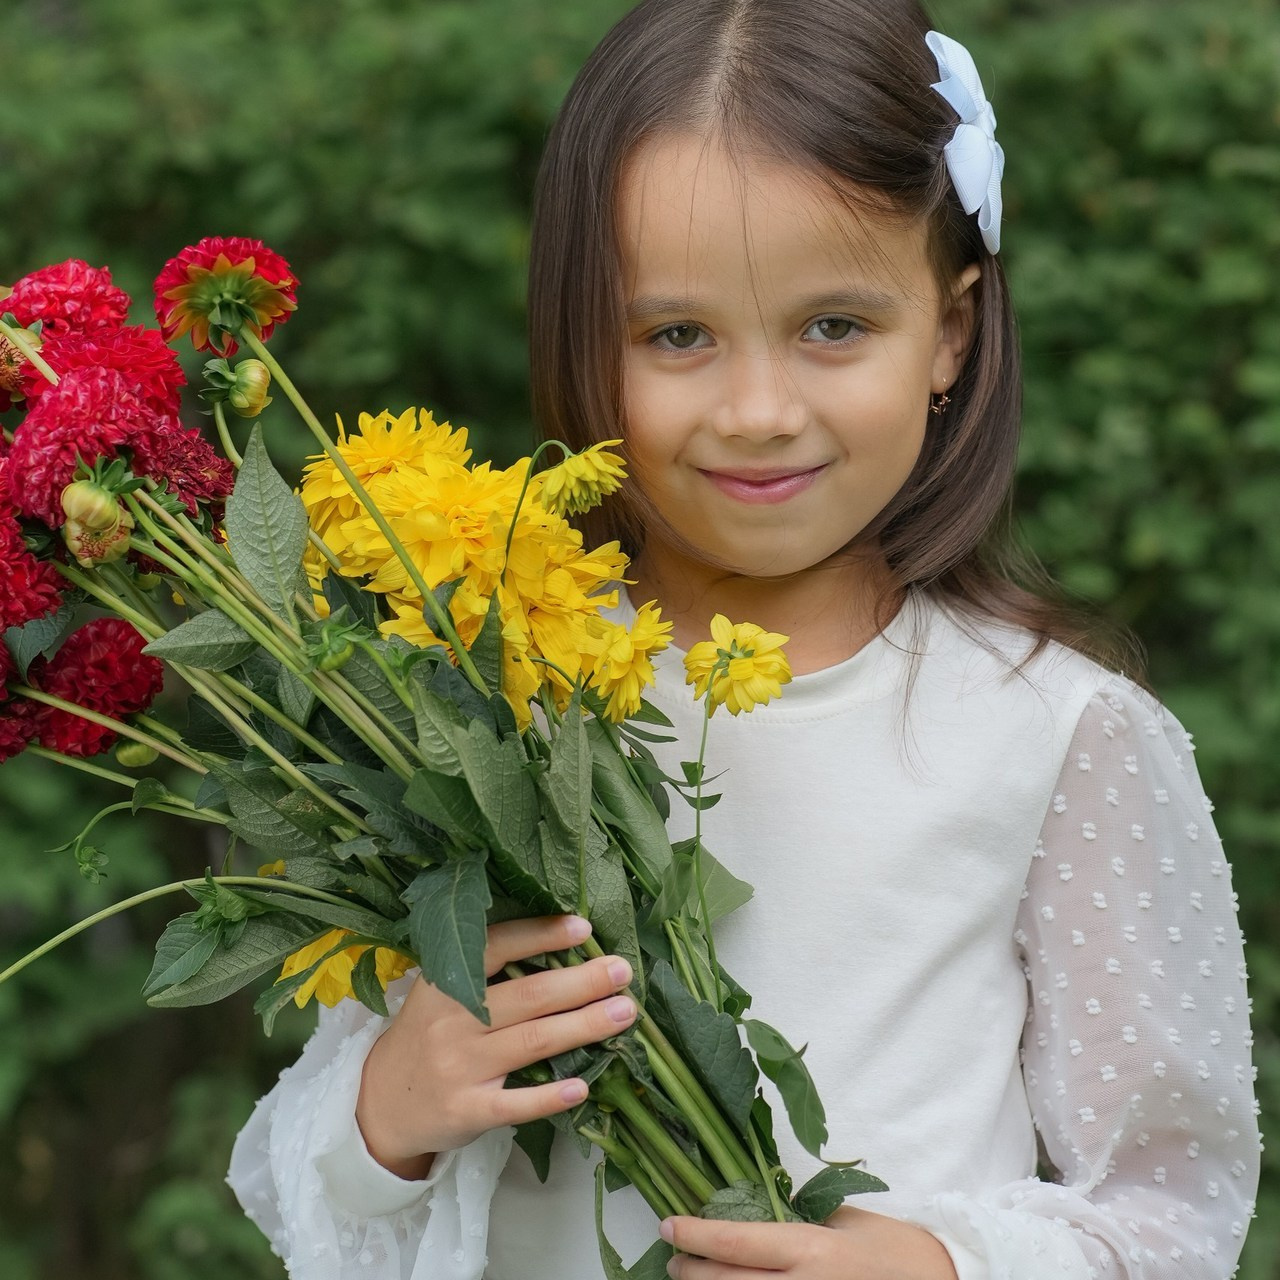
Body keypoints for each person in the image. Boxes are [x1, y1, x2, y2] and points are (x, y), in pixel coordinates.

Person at [228, 2, 1261, 1277]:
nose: (759, 410)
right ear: (581, 331)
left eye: (834, 326)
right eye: (677, 335)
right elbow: (305, 1192)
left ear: (947, 329)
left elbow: (1169, 1212)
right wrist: (387, 1112)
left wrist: (936, 1264)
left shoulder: (1055, 732)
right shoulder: (477, 698)